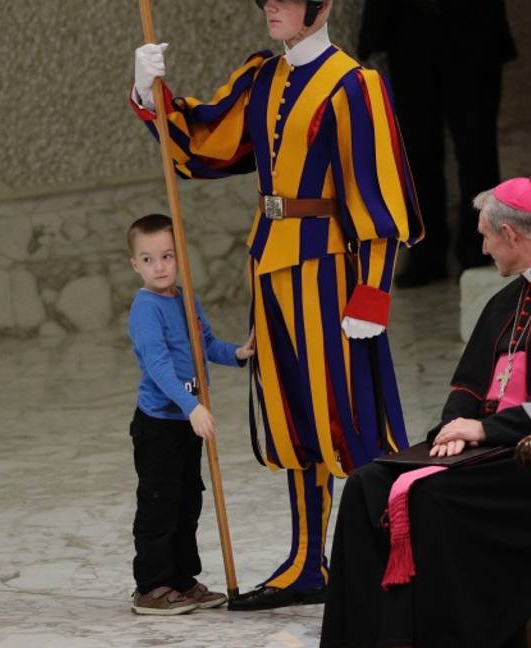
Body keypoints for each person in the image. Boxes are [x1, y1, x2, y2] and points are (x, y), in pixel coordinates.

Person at [130, 0, 424, 610]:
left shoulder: (354, 84)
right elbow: (204, 148)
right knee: (293, 418)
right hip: (270, 264)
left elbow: (378, 195)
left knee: (350, 414)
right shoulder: (264, 75)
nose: (271, 5)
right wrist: (148, 93)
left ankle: (389, 558)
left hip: (331, 271)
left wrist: (371, 293)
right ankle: (306, 562)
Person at [320, 178, 531, 648]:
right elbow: (466, 387)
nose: (483, 248)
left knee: (430, 499)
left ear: (510, 234)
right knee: (367, 484)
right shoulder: (504, 300)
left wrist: (485, 430)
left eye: (486, 236)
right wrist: (454, 428)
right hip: (485, 453)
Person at [125, 214, 256, 615]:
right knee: (160, 505)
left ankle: (180, 579)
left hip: (186, 421)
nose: (159, 267)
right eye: (148, 259)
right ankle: (151, 586)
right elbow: (158, 366)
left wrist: (238, 353)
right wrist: (193, 405)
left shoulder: (186, 299)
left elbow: (206, 345)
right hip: (160, 425)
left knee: (187, 503)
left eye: (167, 256)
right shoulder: (146, 310)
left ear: (180, 256)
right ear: (135, 265)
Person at [358, 0, 516, 286]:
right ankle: (426, 253)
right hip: (408, 28)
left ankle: (481, 247)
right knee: (417, 151)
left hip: (471, 27)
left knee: (477, 147)